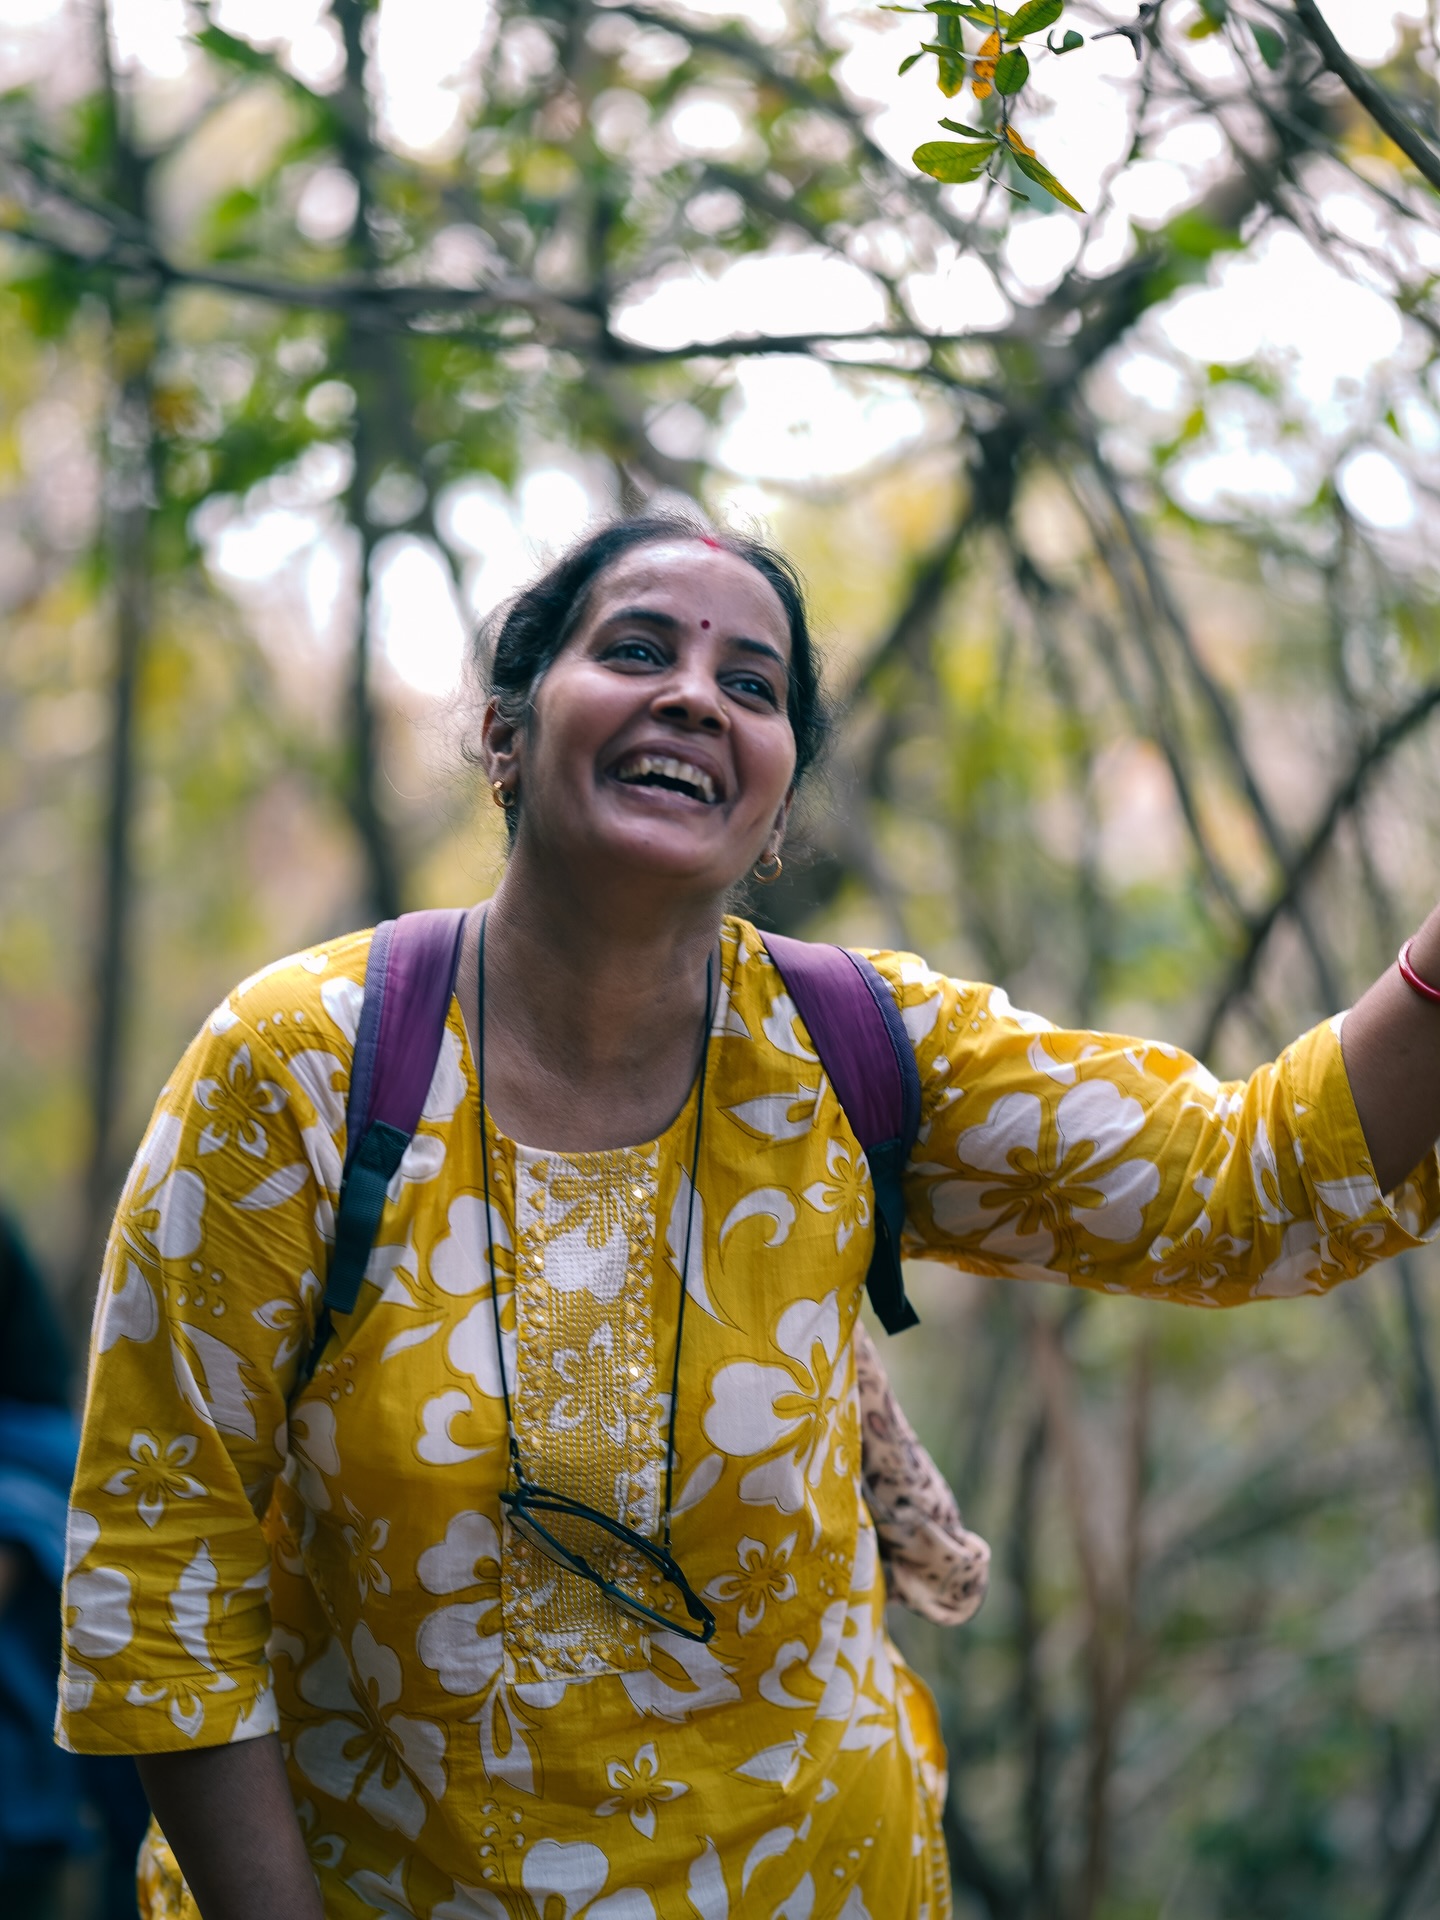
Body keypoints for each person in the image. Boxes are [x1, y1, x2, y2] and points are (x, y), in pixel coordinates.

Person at [55, 516, 1440, 1920]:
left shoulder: (859, 1052)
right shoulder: (303, 1068)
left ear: (774, 809)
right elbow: (159, 1569)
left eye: (752, 685)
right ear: (505, 732)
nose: (695, 696)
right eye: (637, 649)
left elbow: (1246, 1188)